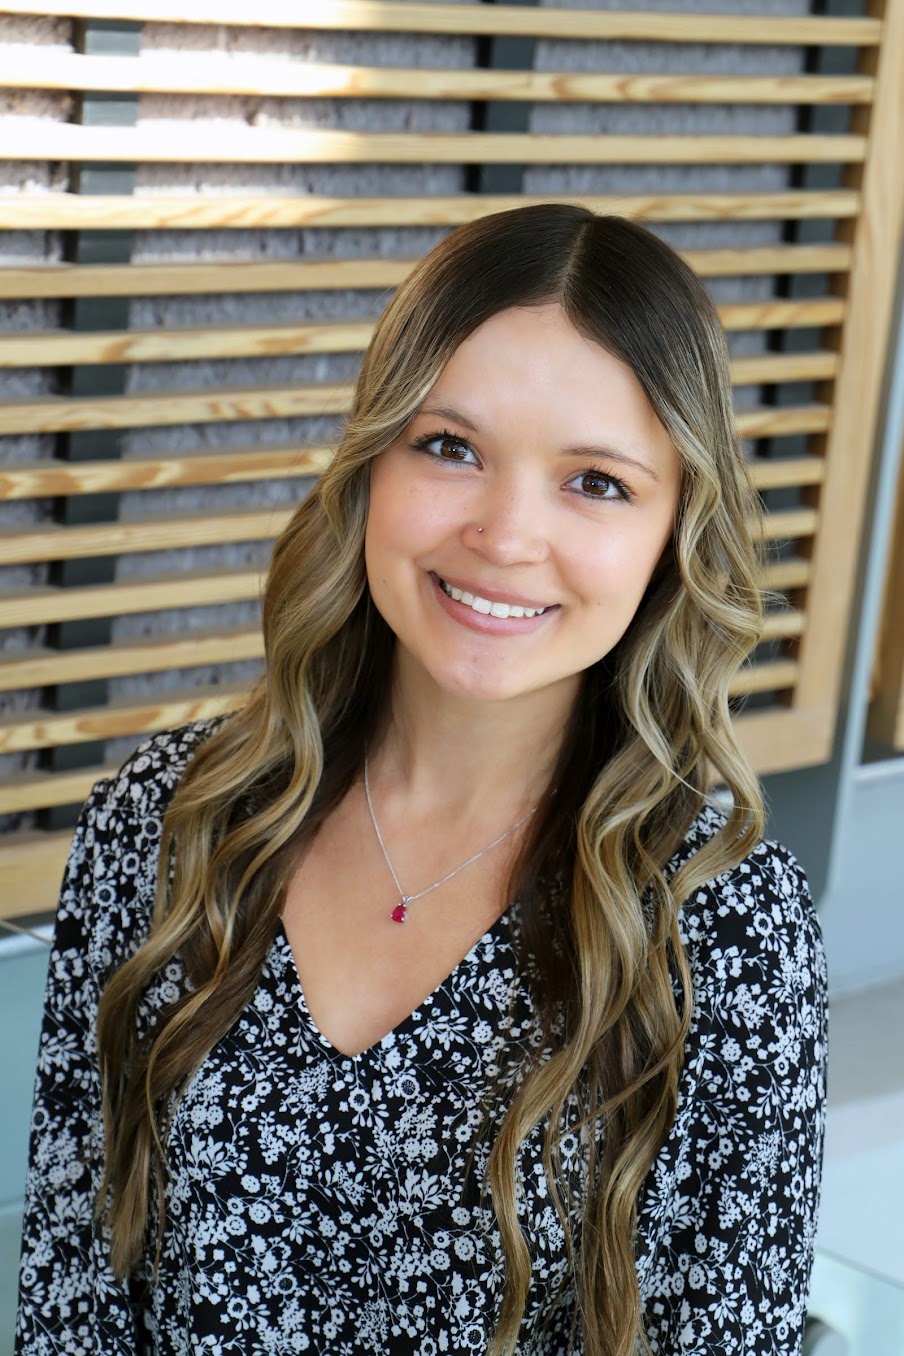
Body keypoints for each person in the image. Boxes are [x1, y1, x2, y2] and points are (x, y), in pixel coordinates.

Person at [15, 205, 827, 1356]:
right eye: (450, 447)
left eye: (594, 482)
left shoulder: (726, 926)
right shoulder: (167, 823)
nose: (503, 533)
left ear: (671, 535)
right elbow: (72, 1292)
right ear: (370, 462)